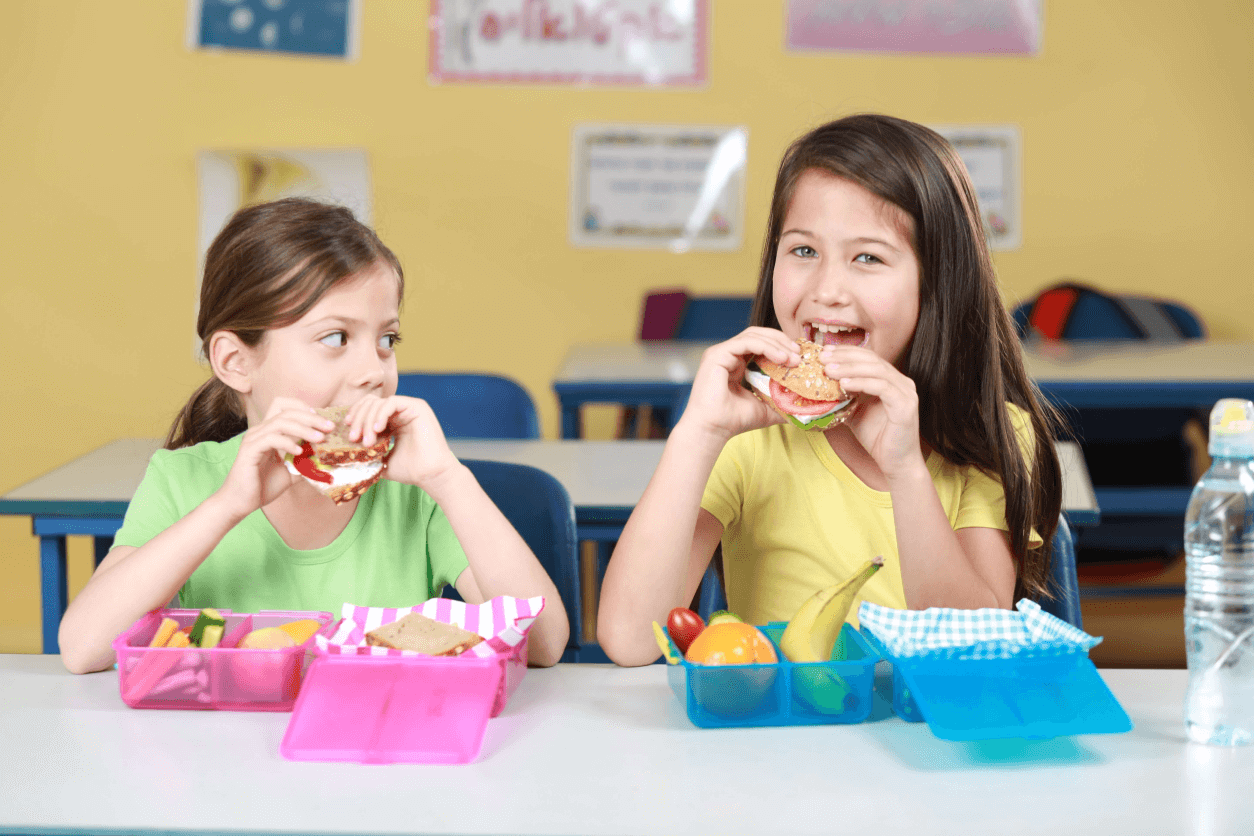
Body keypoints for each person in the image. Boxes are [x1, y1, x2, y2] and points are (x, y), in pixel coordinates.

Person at [597, 114, 1063, 666]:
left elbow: (974, 650)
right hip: (781, 741)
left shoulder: (993, 431)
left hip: (924, 741)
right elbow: (629, 640)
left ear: (937, 282)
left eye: (868, 257)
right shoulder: (747, 439)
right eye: (803, 251)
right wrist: (699, 434)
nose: (827, 290)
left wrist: (906, 470)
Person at [59, 198, 569, 673]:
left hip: (379, 752)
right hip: (222, 760)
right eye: (335, 338)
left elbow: (544, 645)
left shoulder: (414, 492)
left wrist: (448, 479)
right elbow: (83, 648)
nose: (374, 370)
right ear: (236, 362)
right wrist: (227, 507)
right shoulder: (184, 480)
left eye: (387, 339)